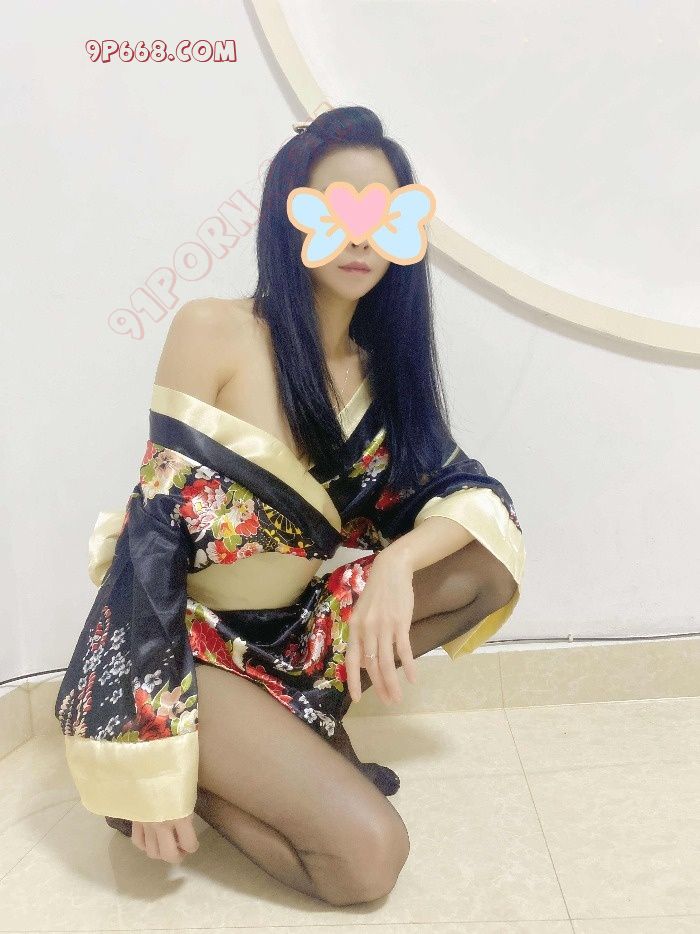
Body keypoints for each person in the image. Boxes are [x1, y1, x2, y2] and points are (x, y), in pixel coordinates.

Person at [54, 105, 525, 906]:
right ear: (290, 214)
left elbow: (471, 495)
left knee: (481, 565)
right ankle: (185, 775)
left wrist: (396, 566)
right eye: (339, 209)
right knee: (368, 857)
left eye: (384, 214)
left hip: (292, 638)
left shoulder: (382, 380)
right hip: (189, 644)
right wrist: (152, 756)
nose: (361, 237)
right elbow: (152, 538)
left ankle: (294, 722)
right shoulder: (213, 331)